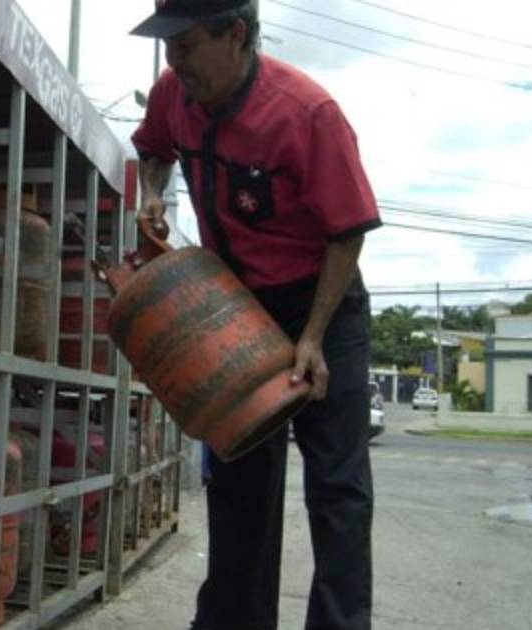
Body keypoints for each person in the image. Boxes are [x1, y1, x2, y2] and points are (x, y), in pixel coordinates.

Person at [128, 1, 380, 629]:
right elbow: (153, 149)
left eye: (186, 44)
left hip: (322, 305)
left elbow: (347, 232)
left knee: (337, 486)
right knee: (239, 479)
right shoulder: (173, 92)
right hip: (239, 306)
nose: (174, 60)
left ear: (235, 35)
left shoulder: (307, 113)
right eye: (167, 45)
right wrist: (154, 192)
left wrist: (313, 338)